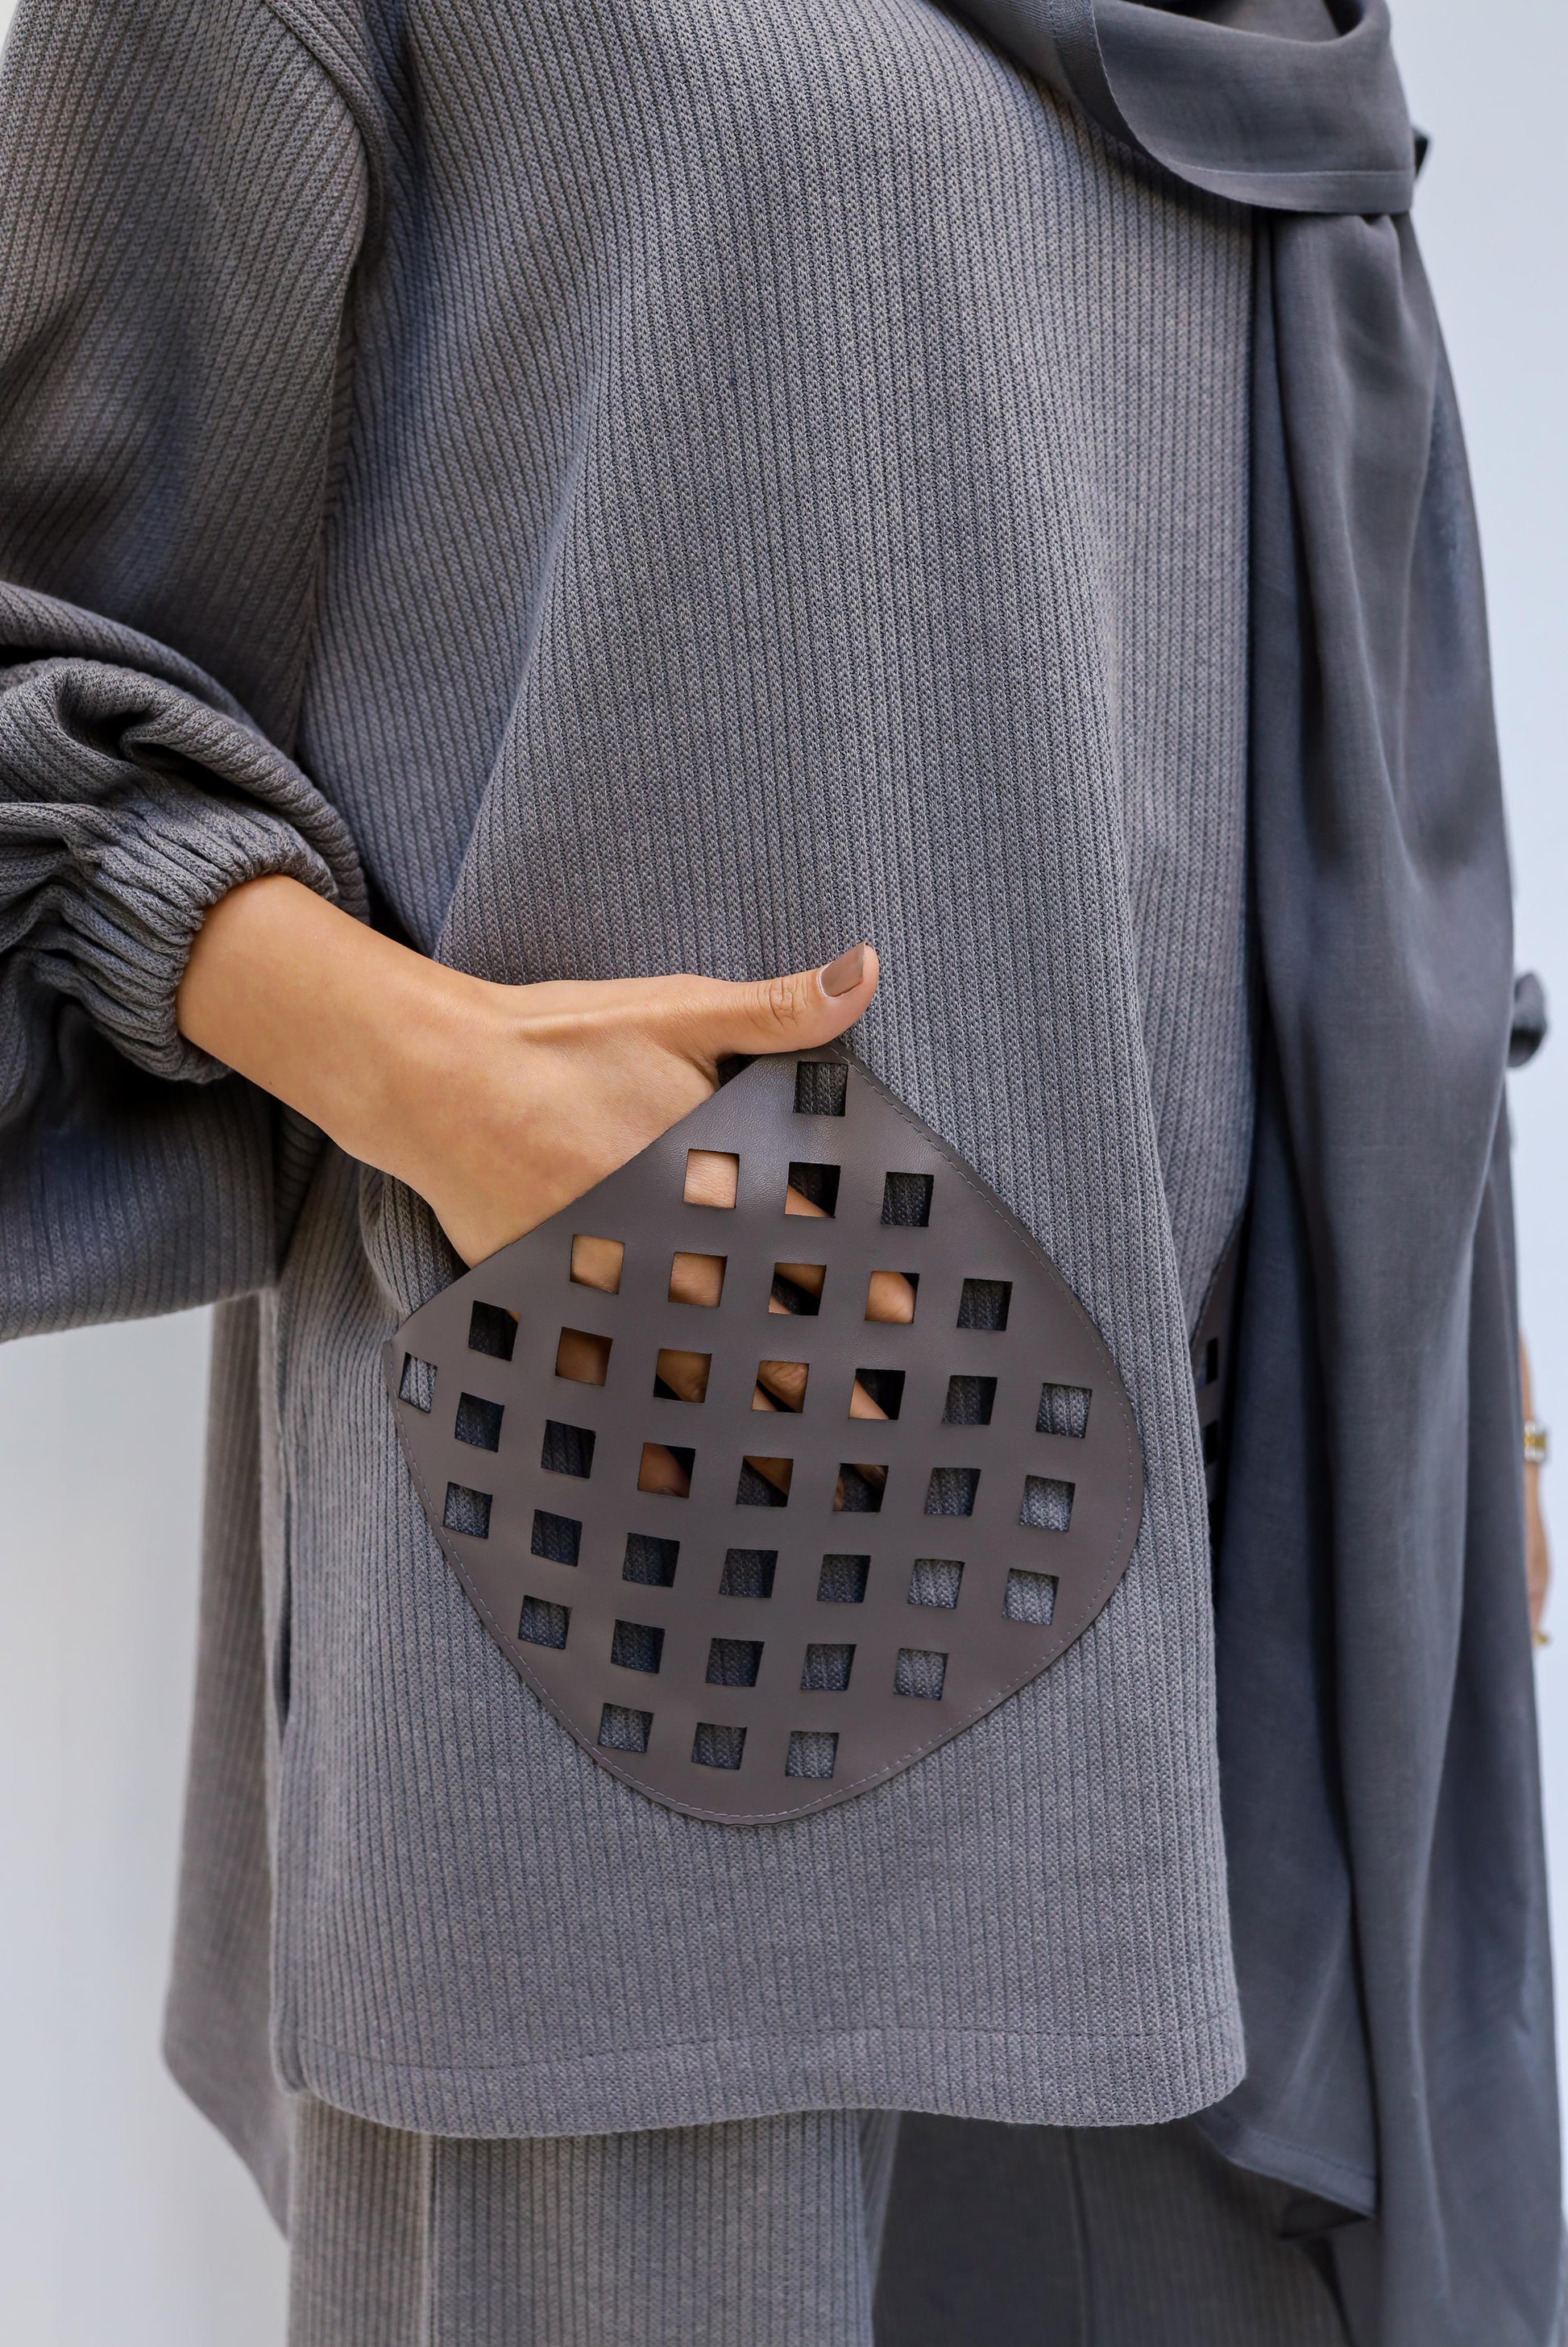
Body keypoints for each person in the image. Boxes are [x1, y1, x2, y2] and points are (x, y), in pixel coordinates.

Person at [0, 0, 1556, 2341]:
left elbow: (1299, 682)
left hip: (1258, 1589)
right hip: (666, 1527)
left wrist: (1443, 1316)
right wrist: (425, 1070)